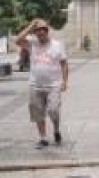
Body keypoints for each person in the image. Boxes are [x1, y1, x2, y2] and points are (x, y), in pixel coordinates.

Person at [15, 18, 70, 148]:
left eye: (42, 30)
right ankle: (43, 138)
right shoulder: (32, 44)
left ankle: (56, 130)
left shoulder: (57, 45)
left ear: (47, 31)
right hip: (35, 85)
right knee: (37, 112)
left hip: (54, 85)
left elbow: (64, 63)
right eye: (37, 31)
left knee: (53, 110)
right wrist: (31, 25)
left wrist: (65, 81)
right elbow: (17, 40)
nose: (40, 33)